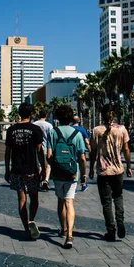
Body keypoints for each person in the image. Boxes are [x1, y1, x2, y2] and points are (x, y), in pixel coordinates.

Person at [89, 104, 133, 241]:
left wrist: (91, 168)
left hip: (103, 172)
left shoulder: (96, 130)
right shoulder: (121, 130)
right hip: (118, 170)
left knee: (106, 202)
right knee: (118, 197)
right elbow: (126, 150)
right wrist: (129, 167)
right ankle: (120, 222)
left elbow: (93, 151)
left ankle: (111, 229)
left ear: (102, 114)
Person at [47, 104, 87, 249]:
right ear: (71, 118)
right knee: (69, 202)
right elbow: (82, 157)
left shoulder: (53, 132)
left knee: (60, 201)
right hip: (72, 172)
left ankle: (63, 229)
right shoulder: (77, 134)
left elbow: (49, 155)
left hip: (57, 173)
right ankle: (70, 235)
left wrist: (52, 165)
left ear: (58, 117)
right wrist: (84, 175)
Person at [5, 103, 46, 240]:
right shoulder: (35, 129)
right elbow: (40, 151)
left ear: (19, 114)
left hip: (16, 170)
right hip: (32, 170)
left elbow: (7, 152)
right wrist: (44, 168)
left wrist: (7, 170)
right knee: (34, 198)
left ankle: (25, 228)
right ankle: (31, 220)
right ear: (31, 114)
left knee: (21, 199)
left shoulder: (11, 130)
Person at [33, 107, 53, 191]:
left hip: (36, 148)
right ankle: (46, 180)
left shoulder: (34, 124)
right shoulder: (49, 125)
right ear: (46, 116)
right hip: (46, 148)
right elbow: (51, 138)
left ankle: (39, 181)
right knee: (48, 165)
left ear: (38, 115)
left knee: (39, 165)